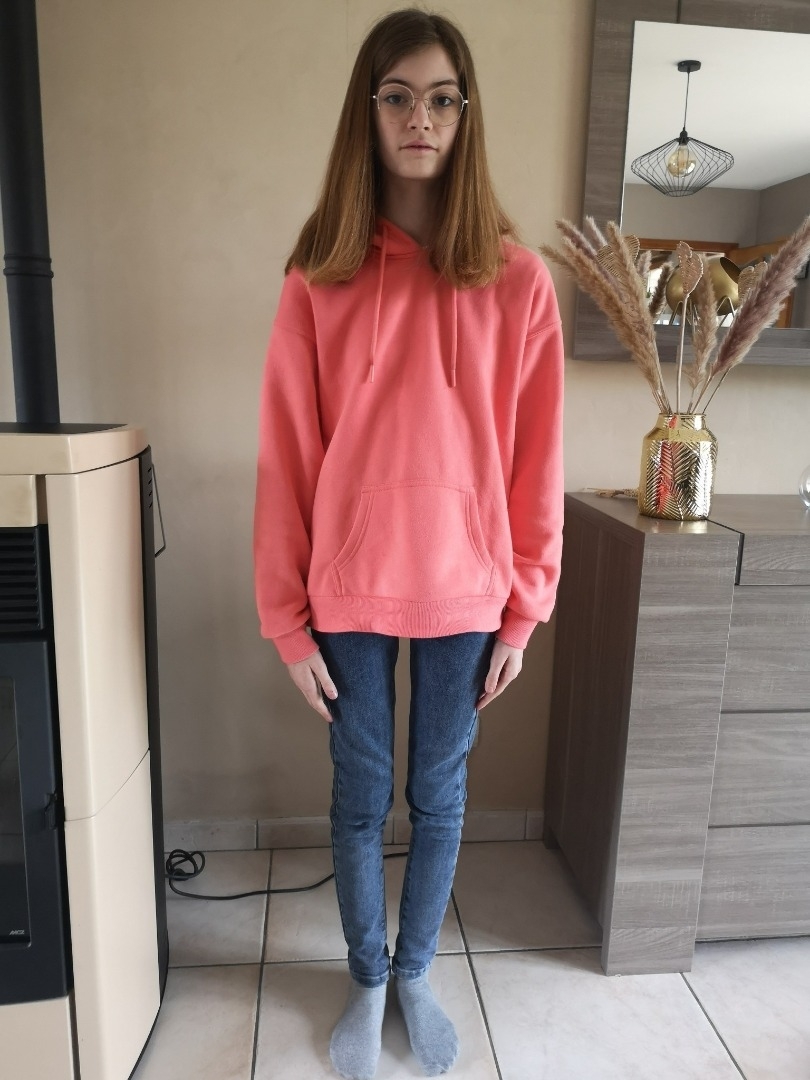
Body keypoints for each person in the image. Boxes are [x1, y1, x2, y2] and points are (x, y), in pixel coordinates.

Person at [253, 8, 564, 1078]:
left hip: (467, 589)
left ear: (465, 114)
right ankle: (368, 976)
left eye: (440, 98)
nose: (419, 119)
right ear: (369, 110)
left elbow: (535, 461)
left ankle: (418, 973)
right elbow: (287, 456)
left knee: (440, 796)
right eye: (397, 97)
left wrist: (524, 608)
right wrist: (284, 620)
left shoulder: (518, 283)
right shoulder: (318, 276)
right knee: (359, 795)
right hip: (345, 590)